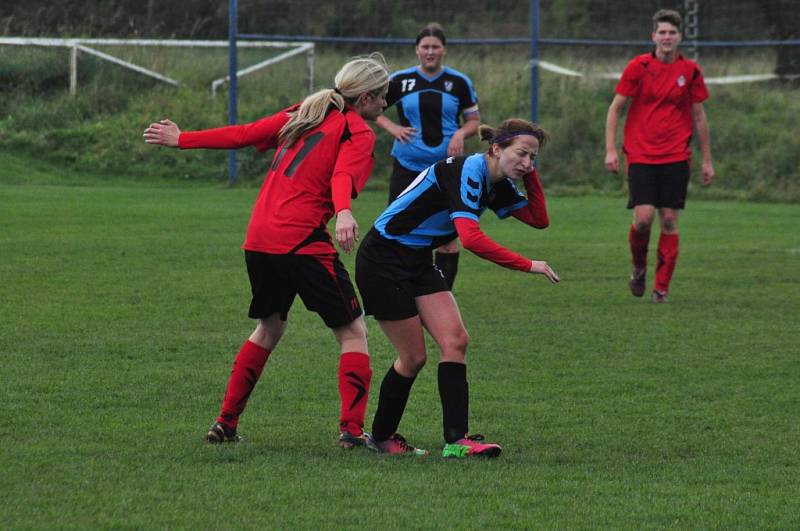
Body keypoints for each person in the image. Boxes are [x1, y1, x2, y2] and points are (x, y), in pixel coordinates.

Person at [142, 54, 390, 448]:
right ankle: (352, 431)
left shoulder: (306, 110)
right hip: (300, 240)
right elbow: (342, 175)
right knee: (352, 331)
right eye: (382, 98)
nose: (384, 106)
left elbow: (244, 133)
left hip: (259, 239)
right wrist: (343, 211)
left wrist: (182, 139)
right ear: (365, 98)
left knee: (269, 327)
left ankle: (226, 423)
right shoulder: (356, 131)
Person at [355, 118, 560, 458]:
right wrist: (528, 264)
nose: (526, 163)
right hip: (383, 259)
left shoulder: (497, 181)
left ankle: (457, 440)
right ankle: (381, 436)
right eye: (521, 154)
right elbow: (471, 238)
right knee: (413, 357)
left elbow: (539, 220)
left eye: (533, 157)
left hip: (417, 259)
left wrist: (529, 173)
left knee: (455, 341)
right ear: (495, 149)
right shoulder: (469, 171)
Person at [605, 9, 714, 303]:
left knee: (668, 218)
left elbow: (700, 117)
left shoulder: (690, 71)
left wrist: (706, 159)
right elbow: (615, 108)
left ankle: (661, 289)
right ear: (653, 36)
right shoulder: (638, 67)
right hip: (640, 153)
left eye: (672, 33)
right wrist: (611, 149)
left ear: (680, 36)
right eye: (662, 32)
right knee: (643, 219)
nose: (667, 37)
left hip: (676, 154)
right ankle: (639, 268)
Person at [375, 22, 480, 290]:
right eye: (425, 47)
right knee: (397, 229)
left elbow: (473, 121)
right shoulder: (401, 80)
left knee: (445, 238)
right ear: (417, 50)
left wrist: (459, 135)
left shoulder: (458, 82)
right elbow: (369, 108)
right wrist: (392, 127)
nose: (430, 52)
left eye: (435, 47)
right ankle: (399, 289)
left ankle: (441, 295)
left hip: (445, 170)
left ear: (444, 50)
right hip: (408, 166)